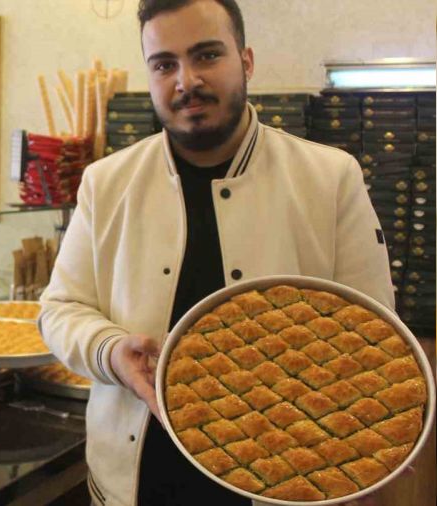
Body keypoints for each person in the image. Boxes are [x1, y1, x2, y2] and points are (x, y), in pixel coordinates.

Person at [38, 1, 394, 505]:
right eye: (165, 64)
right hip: (136, 482)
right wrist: (112, 352)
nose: (186, 80)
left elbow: (372, 336)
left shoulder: (330, 177)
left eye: (206, 55)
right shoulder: (106, 182)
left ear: (245, 61)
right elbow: (60, 309)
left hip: (286, 480)